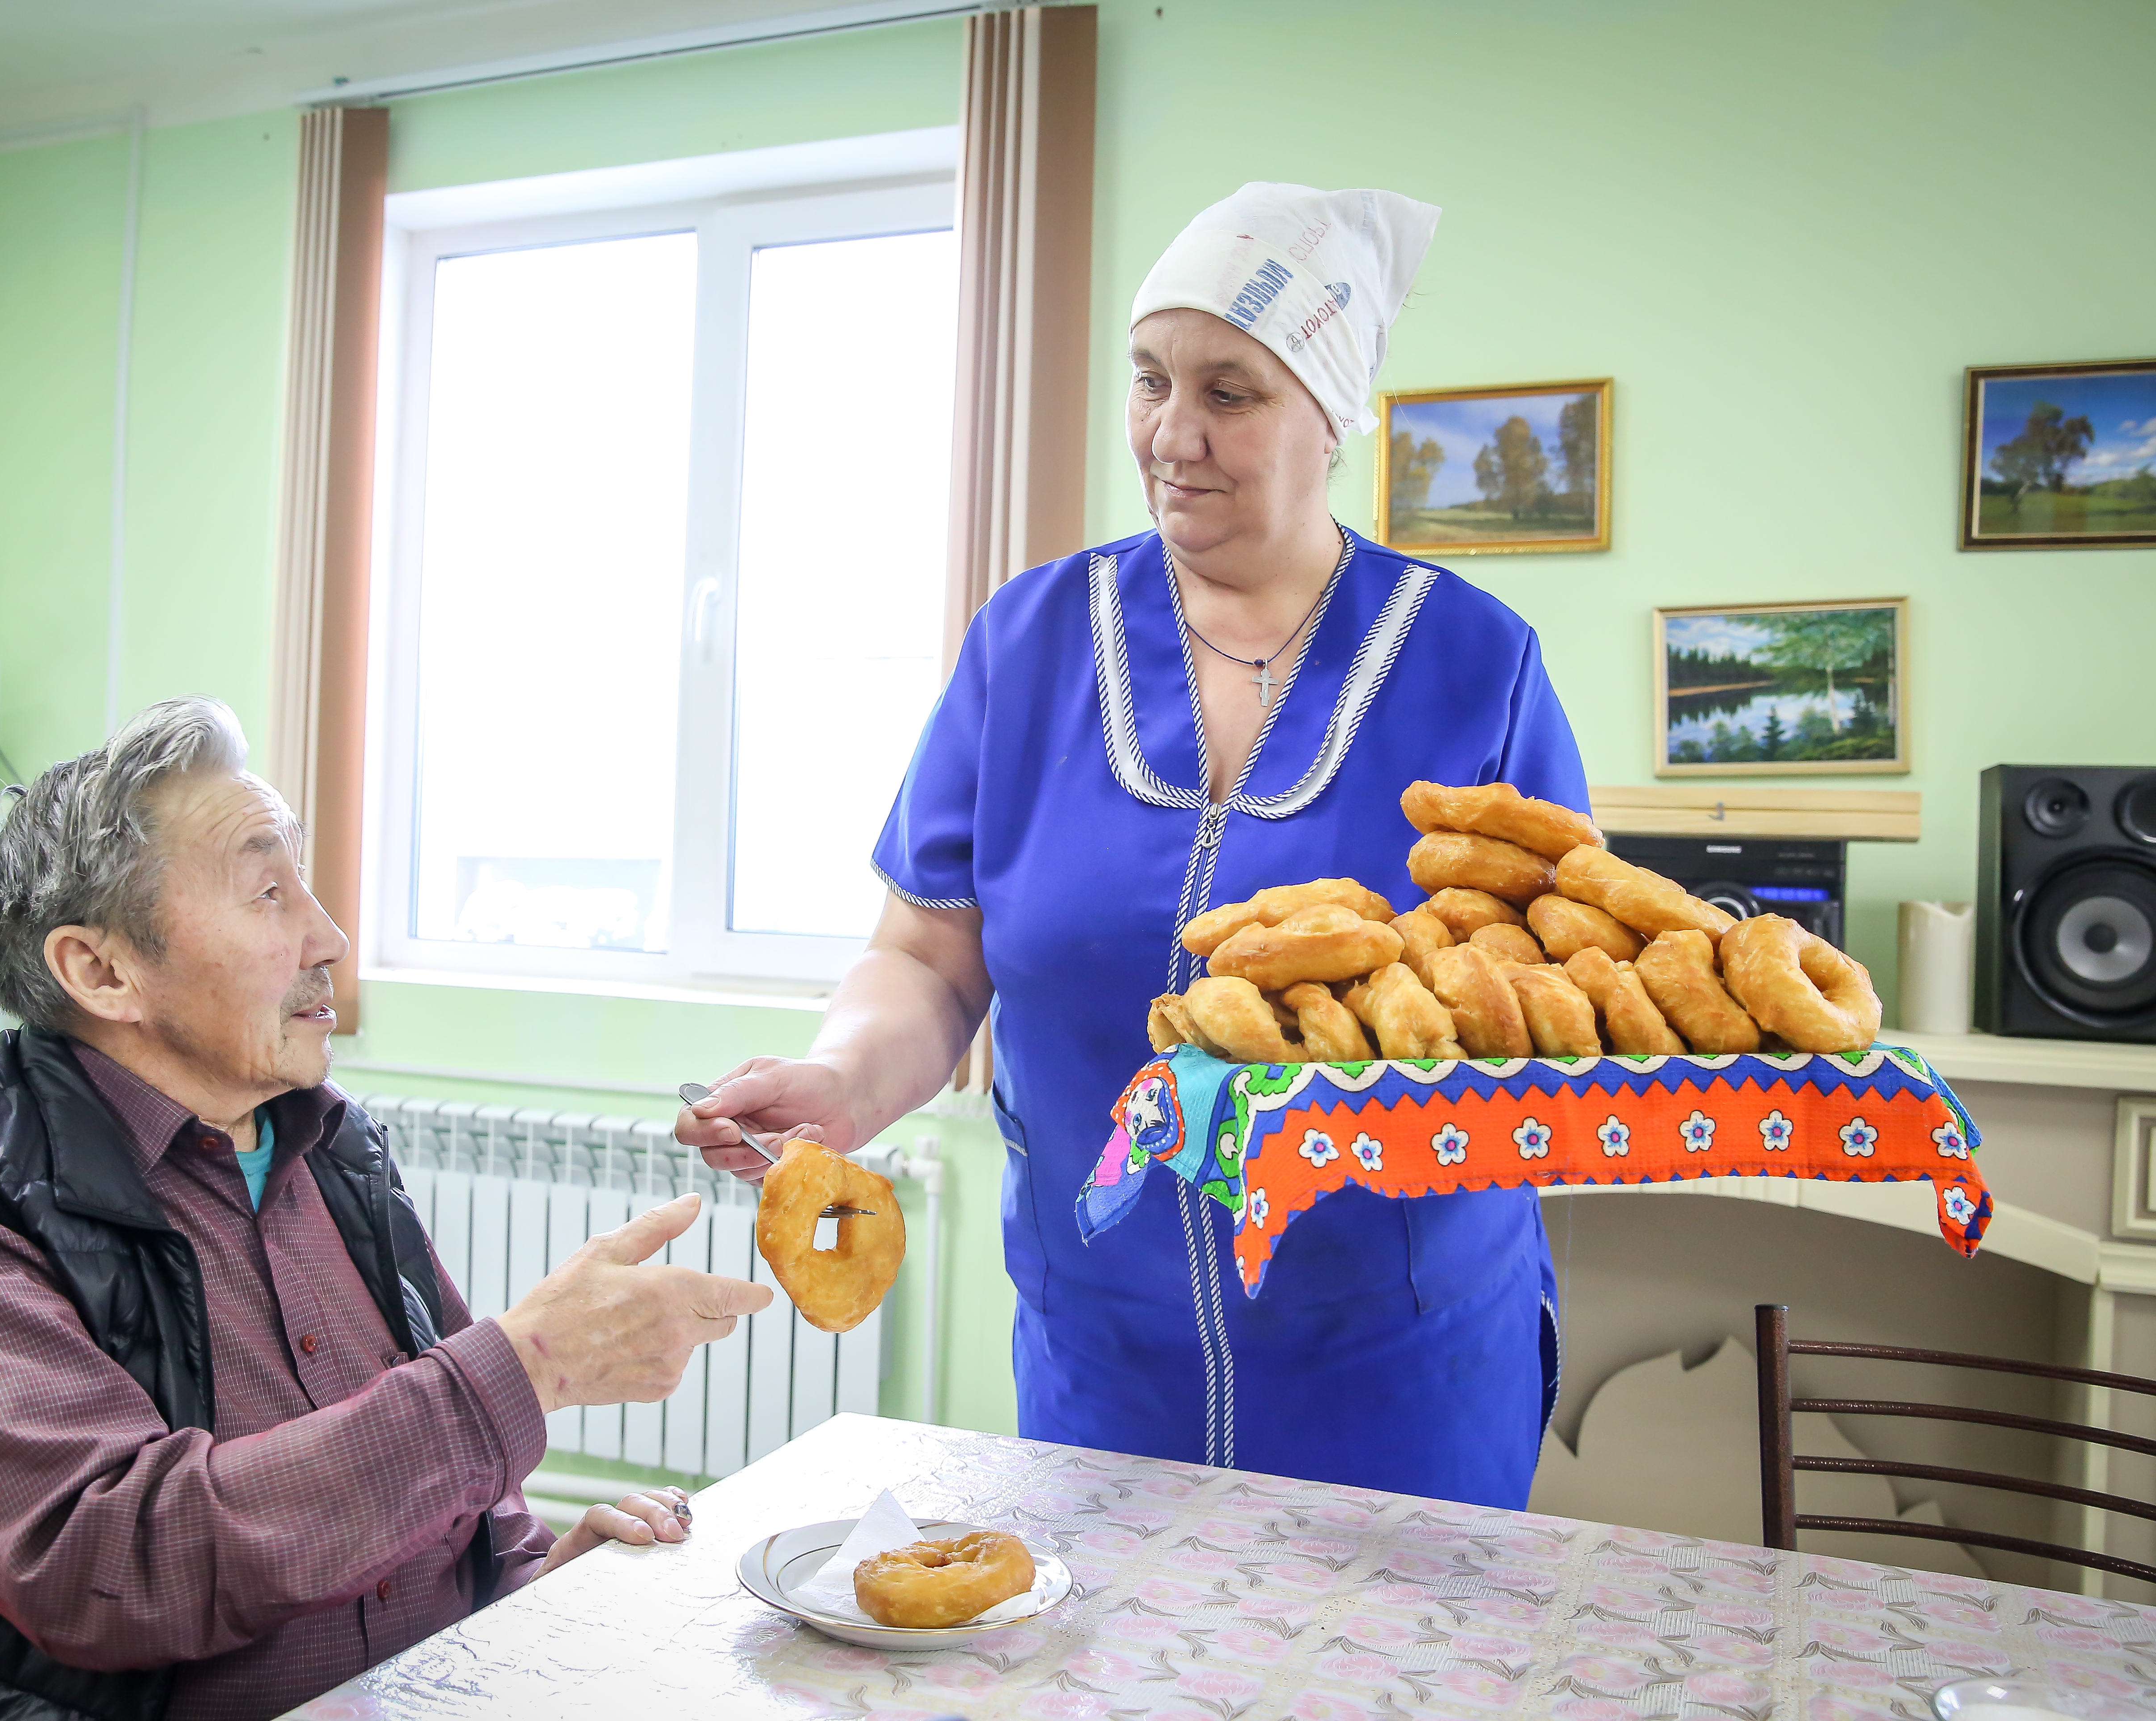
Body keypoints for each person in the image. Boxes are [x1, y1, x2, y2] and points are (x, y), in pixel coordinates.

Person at [680, 183, 1586, 1507]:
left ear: (1331, 415)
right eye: (1150, 380)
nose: (1174, 433)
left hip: (1398, 1364)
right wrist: (842, 1081)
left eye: (1231, 393)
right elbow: (930, 959)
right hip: (1105, 1362)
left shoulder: (1473, 664)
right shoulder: (1033, 643)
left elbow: (1548, 1007)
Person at [0, 697, 772, 1721]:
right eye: (268, 893)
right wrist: (532, 1363)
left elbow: (452, 1480)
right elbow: (109, 1567)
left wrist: (522, 1585)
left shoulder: (332, 1143)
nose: (327, 937)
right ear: (102, 970)